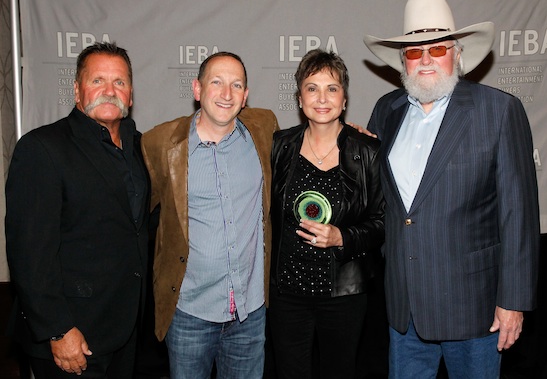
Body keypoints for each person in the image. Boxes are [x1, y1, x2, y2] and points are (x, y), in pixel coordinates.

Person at [363, 0, 540, 378]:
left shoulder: (498, 110)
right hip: (404, 310)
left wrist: (513, 301)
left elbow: (519, 214)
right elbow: (377, 198)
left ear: (457, 54)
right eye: (414, 51)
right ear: (402, 62)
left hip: (475, 310)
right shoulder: (385, 111)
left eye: (438, 49)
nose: (425, 59)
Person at [6, 42, 149, 378]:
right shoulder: (42, 148)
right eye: (97, 80)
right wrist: (57, 329)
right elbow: (29, 251)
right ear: (77, 90)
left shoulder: (140, 147)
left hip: (125, 329)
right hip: (73, 335)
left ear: (130, 94)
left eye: (120, 82)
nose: (109, 91)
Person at [140, 51, 279, 379]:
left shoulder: (265, 130)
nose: (226, 93)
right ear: (197, 89)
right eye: (216, 82)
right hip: (190, 313)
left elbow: (314, 140)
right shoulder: (160, 144)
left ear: (246, 97)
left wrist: (348, 133)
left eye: (236, 85)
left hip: (250, 314)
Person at [269, 49, 385, 379]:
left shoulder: (368, 151)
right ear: (299, 97)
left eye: (332, 88)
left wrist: (341, 237)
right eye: (312, 88)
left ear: (344, 99)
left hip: (343, 295)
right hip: (287, 294)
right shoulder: (279, 146)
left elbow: (382, 221)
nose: (322, 98)